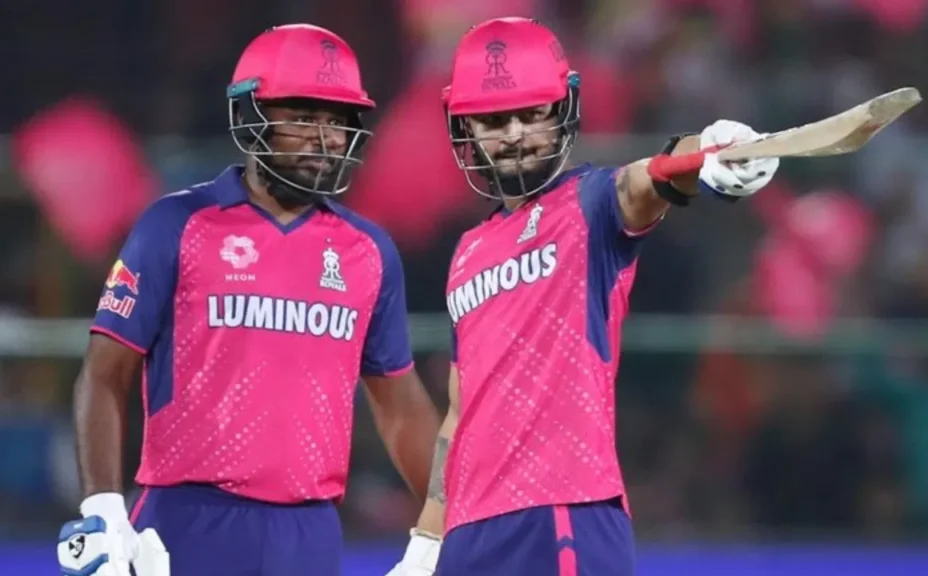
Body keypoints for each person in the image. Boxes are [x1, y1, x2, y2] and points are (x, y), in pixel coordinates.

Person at [386, 17, 780, 576]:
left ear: (563, 111)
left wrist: (703, 152)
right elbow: (459, 415)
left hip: (562, 513)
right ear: (465, 127)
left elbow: (646, 181)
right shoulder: (467, 252)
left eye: (533, 114)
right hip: (469, 534)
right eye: (495, 120)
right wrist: (426, 542)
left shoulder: (589, 204)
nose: (515, 133)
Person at [57, 23, 441, 576]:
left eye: (337, 120)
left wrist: (446, 529)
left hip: (310, 534)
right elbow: (104, 373)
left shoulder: (369, 252)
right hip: (185, 522)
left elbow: (401, 407)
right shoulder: (176, 224)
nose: (325, 137)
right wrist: (102, 508)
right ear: (251, 113)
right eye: (303, 116)